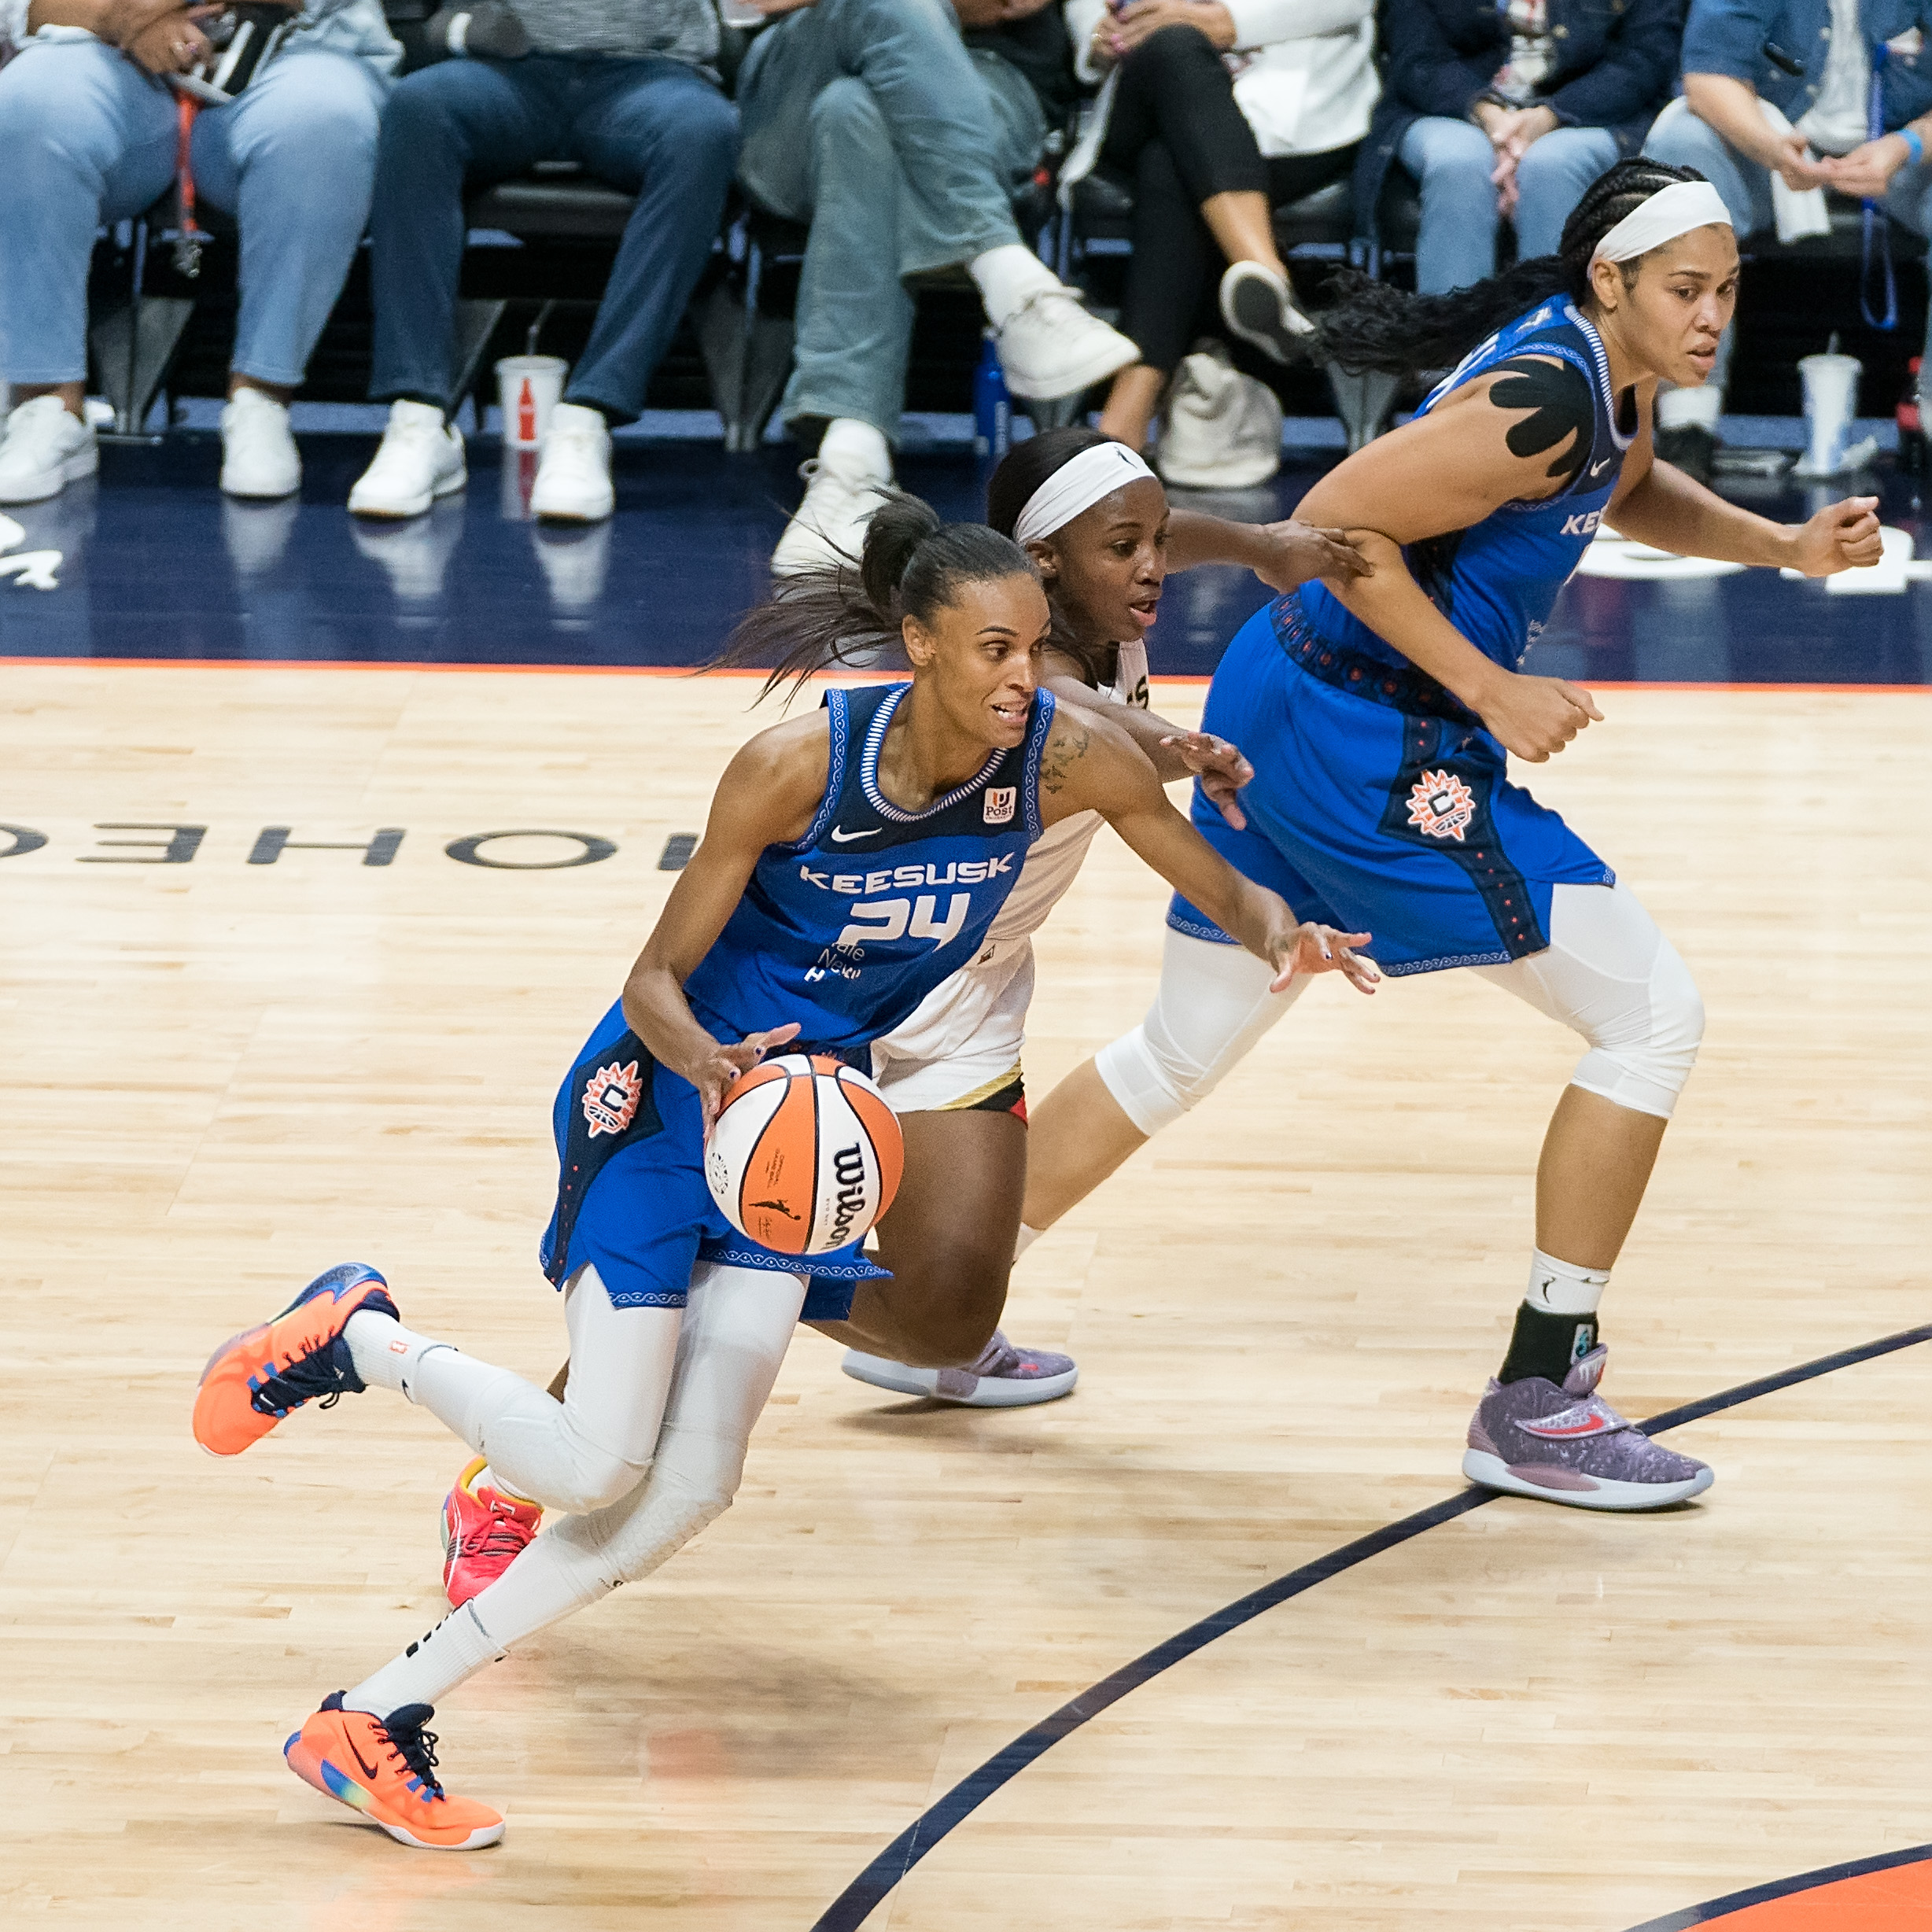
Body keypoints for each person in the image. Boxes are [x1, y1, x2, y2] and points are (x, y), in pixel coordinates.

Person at [190, 492, 1360, 1849]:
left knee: (688, 1490)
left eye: (1034, 650)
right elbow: (654, 980)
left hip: (796, 1135)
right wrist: (717, 1067)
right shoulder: (794, 767)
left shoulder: (1063, 759)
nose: (1019, 679)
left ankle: (371, 1719)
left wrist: (1291, 932)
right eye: (990, 650)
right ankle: (357, 1337)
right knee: (590, 1463)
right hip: (669, 1096)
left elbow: (1211, 879)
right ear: (919, 644)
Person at [1014, 160, 1884, 1511]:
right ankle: (1537, 1400)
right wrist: (1489, 686)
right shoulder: (1543, 396)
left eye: (1724, 289)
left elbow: (1625, 487)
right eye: (1684, 289)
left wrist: (1783, 549)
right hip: (1365, 738)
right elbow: (1337, 518)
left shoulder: (1606, 377)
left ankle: (929, 1297)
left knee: (1186, 1038)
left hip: (1295, 696)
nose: (1712, 314)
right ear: (1610, 281)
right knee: (1651, 1017)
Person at [436, 434, 1377, 1614]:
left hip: (968, 991)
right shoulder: (1028, 697)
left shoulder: (1071, 619)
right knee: (682, 1290)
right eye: (1124, 547)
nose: (1149, 567)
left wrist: (1261, 546)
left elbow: (1150, 646)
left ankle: (763, 1287)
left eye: (1155, 544)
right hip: (814, 1009)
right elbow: (1077, 710)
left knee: (946, 1313)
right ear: (1020, 579)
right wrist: (1167, 742)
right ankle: (518, 1471)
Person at [733, 0, 1140, 574]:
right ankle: (1011, 284)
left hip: (987, 89)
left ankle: (853, 458)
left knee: (855, 112)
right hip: (798, 81)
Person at [345, 0, 738, 525]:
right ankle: (419, 418)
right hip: (511, 65)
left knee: (705, 132)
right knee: (419, 107)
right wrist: (459, 26)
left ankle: (588, 417)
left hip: (655, 73)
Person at [0, 0, 397, 505]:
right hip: (110, 55)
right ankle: (48, 404)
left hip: (295, 55)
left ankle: (261, 397)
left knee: (322, 119)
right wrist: (119, 16)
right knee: (28, 102)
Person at [1063, 0, 1381, 453]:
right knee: (1174, 42)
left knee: (1169, 163)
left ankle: (1125, 417)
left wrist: (1231, 22)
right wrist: (1101, 34)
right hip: (1147, 81)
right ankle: (1268, 279)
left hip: (1300, 112)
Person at [1643, 0, 1932, 479]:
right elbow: (1709, 76)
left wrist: (1909, 145)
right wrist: (1772, 149)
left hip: (1899, 154)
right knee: (1683, 149)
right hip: (1771, 145)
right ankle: (1686, 422)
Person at [1353, 0, 1683, 295]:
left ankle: (1547, 353)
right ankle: (1452, 357)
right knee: (1460, 163)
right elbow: (1418, 60)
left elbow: (1645, 59)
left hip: (1593, 113)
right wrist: (1489, 115)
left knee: (1550, 165)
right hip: (1448, 108)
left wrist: (1549, 117)